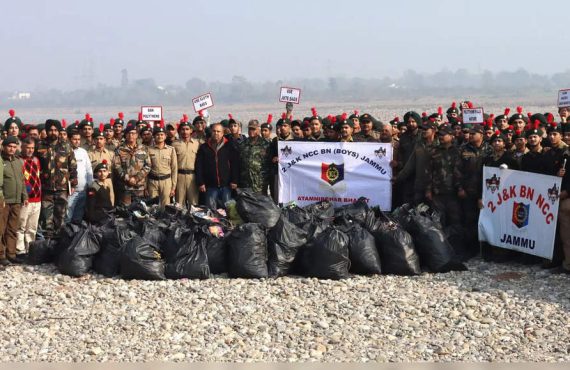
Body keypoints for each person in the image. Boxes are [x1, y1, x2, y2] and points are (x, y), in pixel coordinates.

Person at [36, 119, 78, 239]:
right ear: (47, 131)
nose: (53, 132)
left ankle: (59, 244)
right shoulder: (40, 146)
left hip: (62, 188)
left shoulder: (66, 145)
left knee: (60, 218)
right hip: (46, 188)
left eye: (55, 130)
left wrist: (73, 184)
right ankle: (47, 244)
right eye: (50, 130)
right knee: (46, 219)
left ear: (59, 131)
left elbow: (73, 166)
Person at [196, 123, 239, 210]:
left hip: (226, 185)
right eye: (214, 131)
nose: (216, 133)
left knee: (229, 210)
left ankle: (227, 224)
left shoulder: (229, 146)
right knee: (211, 211)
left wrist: (235, 180)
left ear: (223, 133)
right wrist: (200, 182)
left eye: (218, 131)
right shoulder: (204, 147)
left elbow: (235, 164)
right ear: (211, 132)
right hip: (210, 186)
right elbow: (199, 166)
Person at [0, 136, 28, 266]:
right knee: (1, 228)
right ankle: (1, 255)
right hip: (4, 201)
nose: (12, 149)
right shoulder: (1, 160)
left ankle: (11, 254)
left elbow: (21, 181)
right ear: (4, 147)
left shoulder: (18, 161)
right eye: (9, 146)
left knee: (12, 228)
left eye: (14, 147)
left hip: (16, 200)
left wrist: (25, 196)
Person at [15, 138, 42, 259]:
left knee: (32, 227)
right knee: (21, 226)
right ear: (22, 148)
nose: (30, 150)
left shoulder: (36, 160)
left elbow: (38, 176)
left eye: (32, 148)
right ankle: (20, 250)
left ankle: (30, 249)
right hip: (25, 199)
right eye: (28, 148)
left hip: (37, 199)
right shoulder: (19, 160)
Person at [113, 124, 150, 206]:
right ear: (125, 135)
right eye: (128, 133)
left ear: (137, 135)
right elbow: (117, 166)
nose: (131, 135)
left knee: (140, 210)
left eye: (133, 133)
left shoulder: (143, 148)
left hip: (139, 186)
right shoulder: (119, 149)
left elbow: (147, 166)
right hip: (125, 186)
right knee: (126, 211)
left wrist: (136, 178)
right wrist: (128, 178)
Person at [147, 124, 177, 207]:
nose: (159, 136)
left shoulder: (171, 150)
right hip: (152, 181)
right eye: (157, 135)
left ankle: (164, 220)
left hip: (166, 181)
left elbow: (174, 169)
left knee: (166, 206)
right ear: (154, 136)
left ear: (165, 136)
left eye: (161, 134)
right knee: (153, 206)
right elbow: (146, 168)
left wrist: (173, 187)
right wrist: (146, 186)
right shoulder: (149, 150)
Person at [66, 131, 93, 223]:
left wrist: (90, 185)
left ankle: (76, 235)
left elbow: (89, 170)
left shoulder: (83, 152)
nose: (77, 141)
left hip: (83, 191)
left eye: (78, 139)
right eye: (74, 139)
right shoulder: (65, 151)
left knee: (78, 217)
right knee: (68, 216)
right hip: (70, 191)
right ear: (69, 140)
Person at [239, 120, 271, 194]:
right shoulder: (243, 144)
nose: (251, 131)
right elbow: (239, 162)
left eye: (253, 129)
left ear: (259, 130)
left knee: (260, 203)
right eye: (250, 129)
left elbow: (269, 163)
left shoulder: (266, 144)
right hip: (245, 182)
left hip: (260, 183)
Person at [173, 120, 200, 207]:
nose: (185, 131)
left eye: (187, 129)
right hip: (179, 176)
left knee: (194, 203)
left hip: (193, 177)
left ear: (191, 130)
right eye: (183, 129)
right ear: (179, 131)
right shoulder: (175, 144)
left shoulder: (197, 143)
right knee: (179, 204)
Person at [85, 160, 114, 225]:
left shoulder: (106, 186)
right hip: (98, 219)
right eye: (100, 171)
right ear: (96, 173)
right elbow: (90, 206)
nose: (102, 174)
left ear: (108, 173)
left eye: (104, 171)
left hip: (107, 216)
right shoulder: (94, 186)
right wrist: (93, 220)